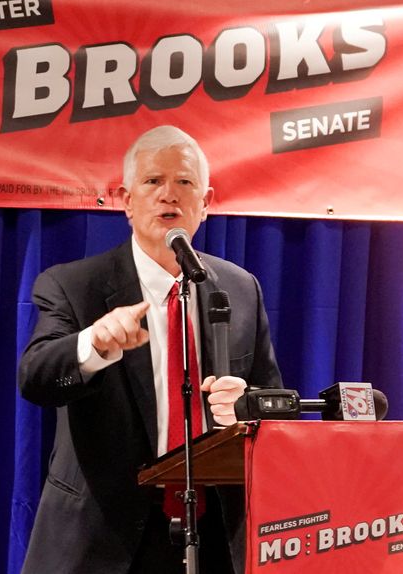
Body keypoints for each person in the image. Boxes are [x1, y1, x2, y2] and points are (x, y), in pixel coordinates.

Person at [18, 125, 283, 574]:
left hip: (215, 530)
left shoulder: (240, 289)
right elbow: (37, 377)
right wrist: (94, 344)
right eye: (153, 181)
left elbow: (270, 407)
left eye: (184, 182)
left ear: (207, 202)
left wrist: (246, 406)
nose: (168, 195)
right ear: (126, 199)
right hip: (104, 539)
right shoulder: (73, 285)